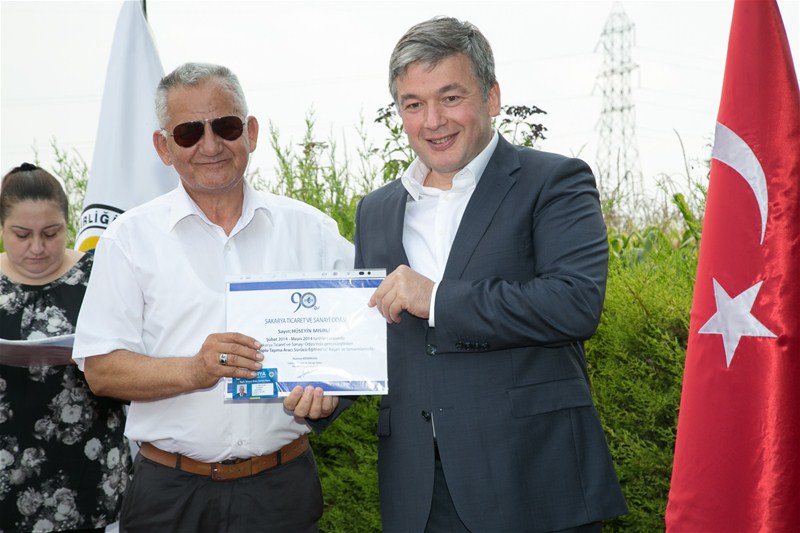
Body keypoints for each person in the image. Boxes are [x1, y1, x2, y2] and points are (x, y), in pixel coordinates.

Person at [353, 17, 629, 532]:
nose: (433, 120)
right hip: (421, 493)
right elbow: (370, 334)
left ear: (492, 97)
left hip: (533, 480)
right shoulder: (375, 210)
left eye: (450, 97)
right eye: (413, 104)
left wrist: (437, 299)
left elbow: (574, 304)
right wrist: (322, 390)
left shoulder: (554, 181)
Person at [72, 62, 353, 533]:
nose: (210, 145)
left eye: (225, 126)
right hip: (170, 493)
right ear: (163, 147)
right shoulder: (128, 238)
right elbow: (100, 369)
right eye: (188, 132)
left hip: (282, 487)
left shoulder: (313, 231)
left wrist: (333, 392)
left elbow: (361, 336)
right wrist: (195, 370)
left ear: (251, 132)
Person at [0, 163, 129, 532]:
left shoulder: (101, 276)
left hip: (91, 473)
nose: (37, 247)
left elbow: (138, 364)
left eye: (51, 233)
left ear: (68, 224)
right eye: (22, 234)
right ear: (2, 228)